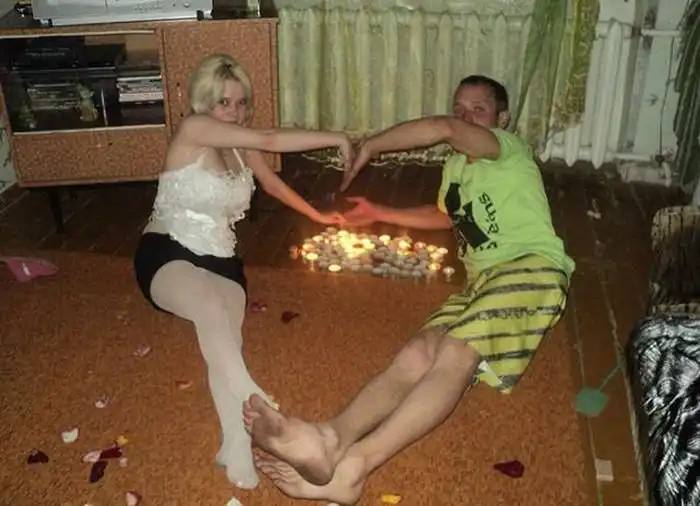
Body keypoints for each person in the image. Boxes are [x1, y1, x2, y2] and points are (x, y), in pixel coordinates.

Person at [242, 75, 576, 504]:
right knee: (416, 355)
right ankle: (331, 439)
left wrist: (371, 145)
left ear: (502, 118)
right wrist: (378, 211)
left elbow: (443, 128)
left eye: (477, 109)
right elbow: (447, 216)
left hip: (532, 268)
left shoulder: (506, 149)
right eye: (459, 108)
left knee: (457, 350)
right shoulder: (456, 169)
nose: (465, 117)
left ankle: (356, 467)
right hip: (480, 287)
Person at [132, 53, 353, 490]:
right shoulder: (194, 129)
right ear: (204, 101)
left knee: (226, 340)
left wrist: (318, 216)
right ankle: (261, 403)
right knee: (211, 314)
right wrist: (336, 137)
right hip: (167, 250)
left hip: (222, 260)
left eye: (240, 102)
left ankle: (234, 445)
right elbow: (270, 136)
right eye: (224, 102)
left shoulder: (239, 143)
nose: (233, 111)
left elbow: (271, 183)